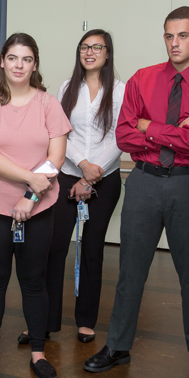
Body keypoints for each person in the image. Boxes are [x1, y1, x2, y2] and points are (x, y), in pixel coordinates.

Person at [83, 6, 189, 378]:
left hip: (188, 183)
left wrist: (151, 127)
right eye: (168, 36)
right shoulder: (142, 79)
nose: (174, 43)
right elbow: (124, 137)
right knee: (130, 269)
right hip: (144, 182)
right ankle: (117, 345)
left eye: (183, 35)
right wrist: (174, 130)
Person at [0, 33, 71, 378]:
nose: (19, 65)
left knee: (33, 282)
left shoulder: (48, 104)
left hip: (38, 207)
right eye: (12, 58)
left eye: (26, 59)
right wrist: (30, 178)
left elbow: (56, 156)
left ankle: (38, 353)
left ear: (35, 64)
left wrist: (31, 196)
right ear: (2, 61)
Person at [34, 29, 125, 345]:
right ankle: (46, 321)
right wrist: (81, 167)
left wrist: (91, 174)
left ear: (107, 53)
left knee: (92, 250)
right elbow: (59, 133)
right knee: (55, 247)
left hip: (105, 178)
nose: (90, 52)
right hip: (68, 175)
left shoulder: (120, 90)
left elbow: (118, 135)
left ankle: (86, 320)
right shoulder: (66, 87)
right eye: (84, 47)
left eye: (96, 47)